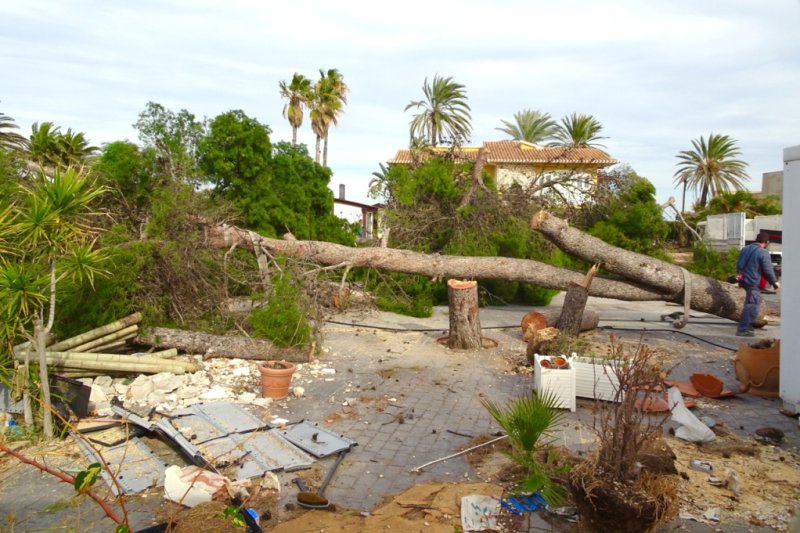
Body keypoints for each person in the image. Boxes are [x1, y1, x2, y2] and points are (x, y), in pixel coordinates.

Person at [735, 231, 780, 336]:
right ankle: (743, 329)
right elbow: (768, 269)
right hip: (752, 281)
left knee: (752, 302)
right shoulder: (763, 252)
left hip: (742, 279)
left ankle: (748, 325)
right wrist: (774, 282)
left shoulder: (745, 249)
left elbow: (738, 264)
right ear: (766, 242)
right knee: (752, 305)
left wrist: (740, 276)